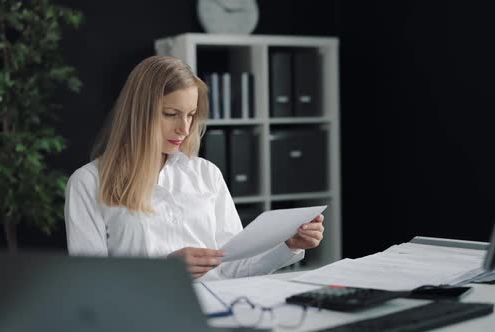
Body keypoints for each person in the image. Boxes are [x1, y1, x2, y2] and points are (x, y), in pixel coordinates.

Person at [64, 55, 325, 280]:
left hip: (217, 311)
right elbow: (91, 283)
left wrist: (289, 246)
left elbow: (231, 267)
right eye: (170, 114)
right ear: (138, 113)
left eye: (190, 115)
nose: (184, 129)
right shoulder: (88, 182)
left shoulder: (206, 174)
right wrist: (165, 270)